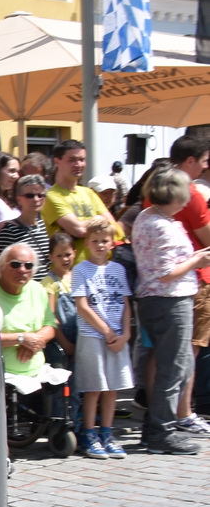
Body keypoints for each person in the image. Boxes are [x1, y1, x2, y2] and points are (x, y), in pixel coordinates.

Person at [131, 166, 210, 455]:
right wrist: (197, 261)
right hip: (169, 300)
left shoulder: (148, 217)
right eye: (183, 196)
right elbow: (165, 273)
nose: (187, 201)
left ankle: (155, 428)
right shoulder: (160, 224)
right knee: (174, 367)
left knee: (168, 365)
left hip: (158, 300)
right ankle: (161, 433)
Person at [71, 217, 133, 459]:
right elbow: (82, 306)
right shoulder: (81, 270)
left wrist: (125, 334)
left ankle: (107, 433)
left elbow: (126, 303)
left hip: (117, 337)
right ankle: (89, 433)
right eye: (94, 241)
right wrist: (107, 331)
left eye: (104, 241)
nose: (99, 245)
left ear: (112, 243)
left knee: (112, 388)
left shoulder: (118, 269)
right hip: (93, 335)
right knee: (94, 387)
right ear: (87, 242)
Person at [42, 139, 119, 263]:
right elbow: (79, 230)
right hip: (70, 271)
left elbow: (113, 226)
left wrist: (80, 225)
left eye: (82, 160)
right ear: (57, 161)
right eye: (71, 160)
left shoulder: (88, 192)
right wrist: (99, 220)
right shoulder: (51, 196)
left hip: (100, 269)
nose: (78, 164)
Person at [0, 242, 55, 378]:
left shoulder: (38, 289)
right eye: (15, 264)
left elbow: (50, 326)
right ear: (1, 266)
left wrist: (34, 342)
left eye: (28, 265)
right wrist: (21, 339)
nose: (22, 270)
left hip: (37, 375)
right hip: (1, 378)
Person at [0, 176, 52, 271]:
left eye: (40, 195)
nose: (36, 199)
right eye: (30, 195)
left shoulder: (44, 225)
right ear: (19, 199)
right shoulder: (9, 230)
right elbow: (2, 267)